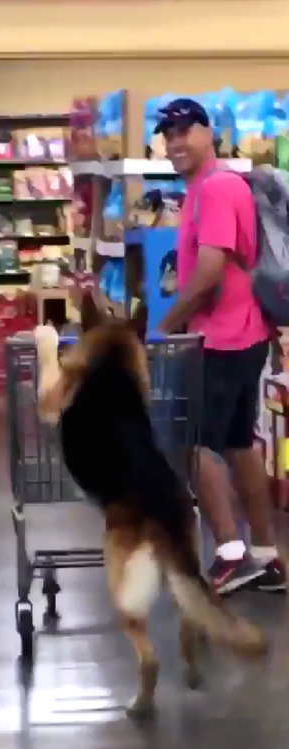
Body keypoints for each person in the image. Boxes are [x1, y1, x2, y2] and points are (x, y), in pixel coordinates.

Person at [156, 97, 285, 595]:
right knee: (237, 442)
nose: (176, 142)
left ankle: (231, 554)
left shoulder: (215, 189)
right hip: (241, 334)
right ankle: (268, 557)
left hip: (221, 338)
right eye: (168, 134)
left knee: (192, 444)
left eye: (186, 131)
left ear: (210, 134)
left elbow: (210, 272)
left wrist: (168, 325)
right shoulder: (208, 189)